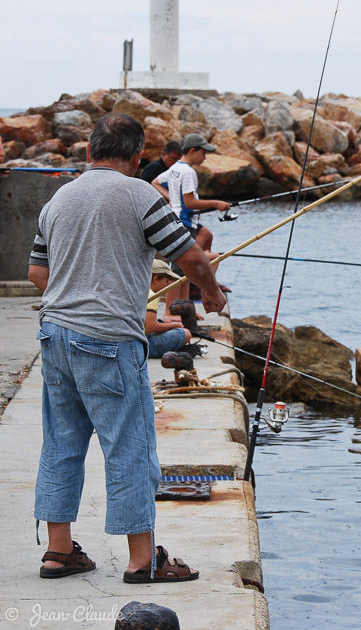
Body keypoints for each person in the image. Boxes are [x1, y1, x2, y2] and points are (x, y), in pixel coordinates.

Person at [28, 112, 227, 583]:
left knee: (60, 443)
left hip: (54, 336)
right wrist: (214, 294)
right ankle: (142, 561)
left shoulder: (58, 199)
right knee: (130, 447)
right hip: (109, 340)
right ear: (138, 156)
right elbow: (192, 257)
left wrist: (75, 293)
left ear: (90, 151)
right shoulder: (141, 194)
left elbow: (38, 274)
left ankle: (59, 552)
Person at [153, 133, 231, 306]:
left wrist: (173, 200)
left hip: (178, 219)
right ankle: (171, 310)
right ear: (193, 151)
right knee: (179, 270)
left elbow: (155, 183)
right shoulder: (188, 172)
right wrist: (216, 203)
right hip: (185, 223)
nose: (205, 158)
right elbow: (189, 203)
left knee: (184, 271)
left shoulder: (175, 168)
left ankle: (183, 307)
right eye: (203, 153)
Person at [145, 259, 192, 358]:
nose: (168, 285)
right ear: (156, 279)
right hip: (143, 343)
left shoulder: (139, 289)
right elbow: (150, 326)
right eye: (166, 281)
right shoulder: (152, 295)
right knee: (185, 334)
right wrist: (173, 325)